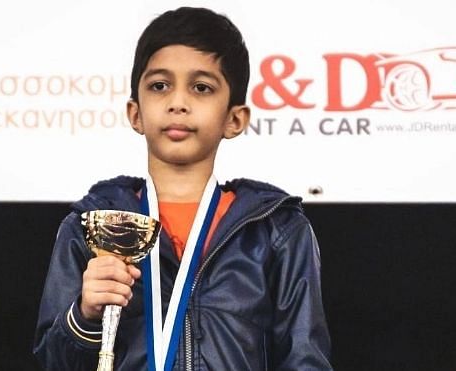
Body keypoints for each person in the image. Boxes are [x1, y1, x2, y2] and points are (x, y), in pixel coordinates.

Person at [33, 6, 332, 370]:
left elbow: (306, 361)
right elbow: (52, 361)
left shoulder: (276, 231)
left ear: (234, 118)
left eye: (201, 88)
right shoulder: (92, 228)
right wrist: (84, 316)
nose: (178, 103)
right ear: (135, 113)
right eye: (160, 86)